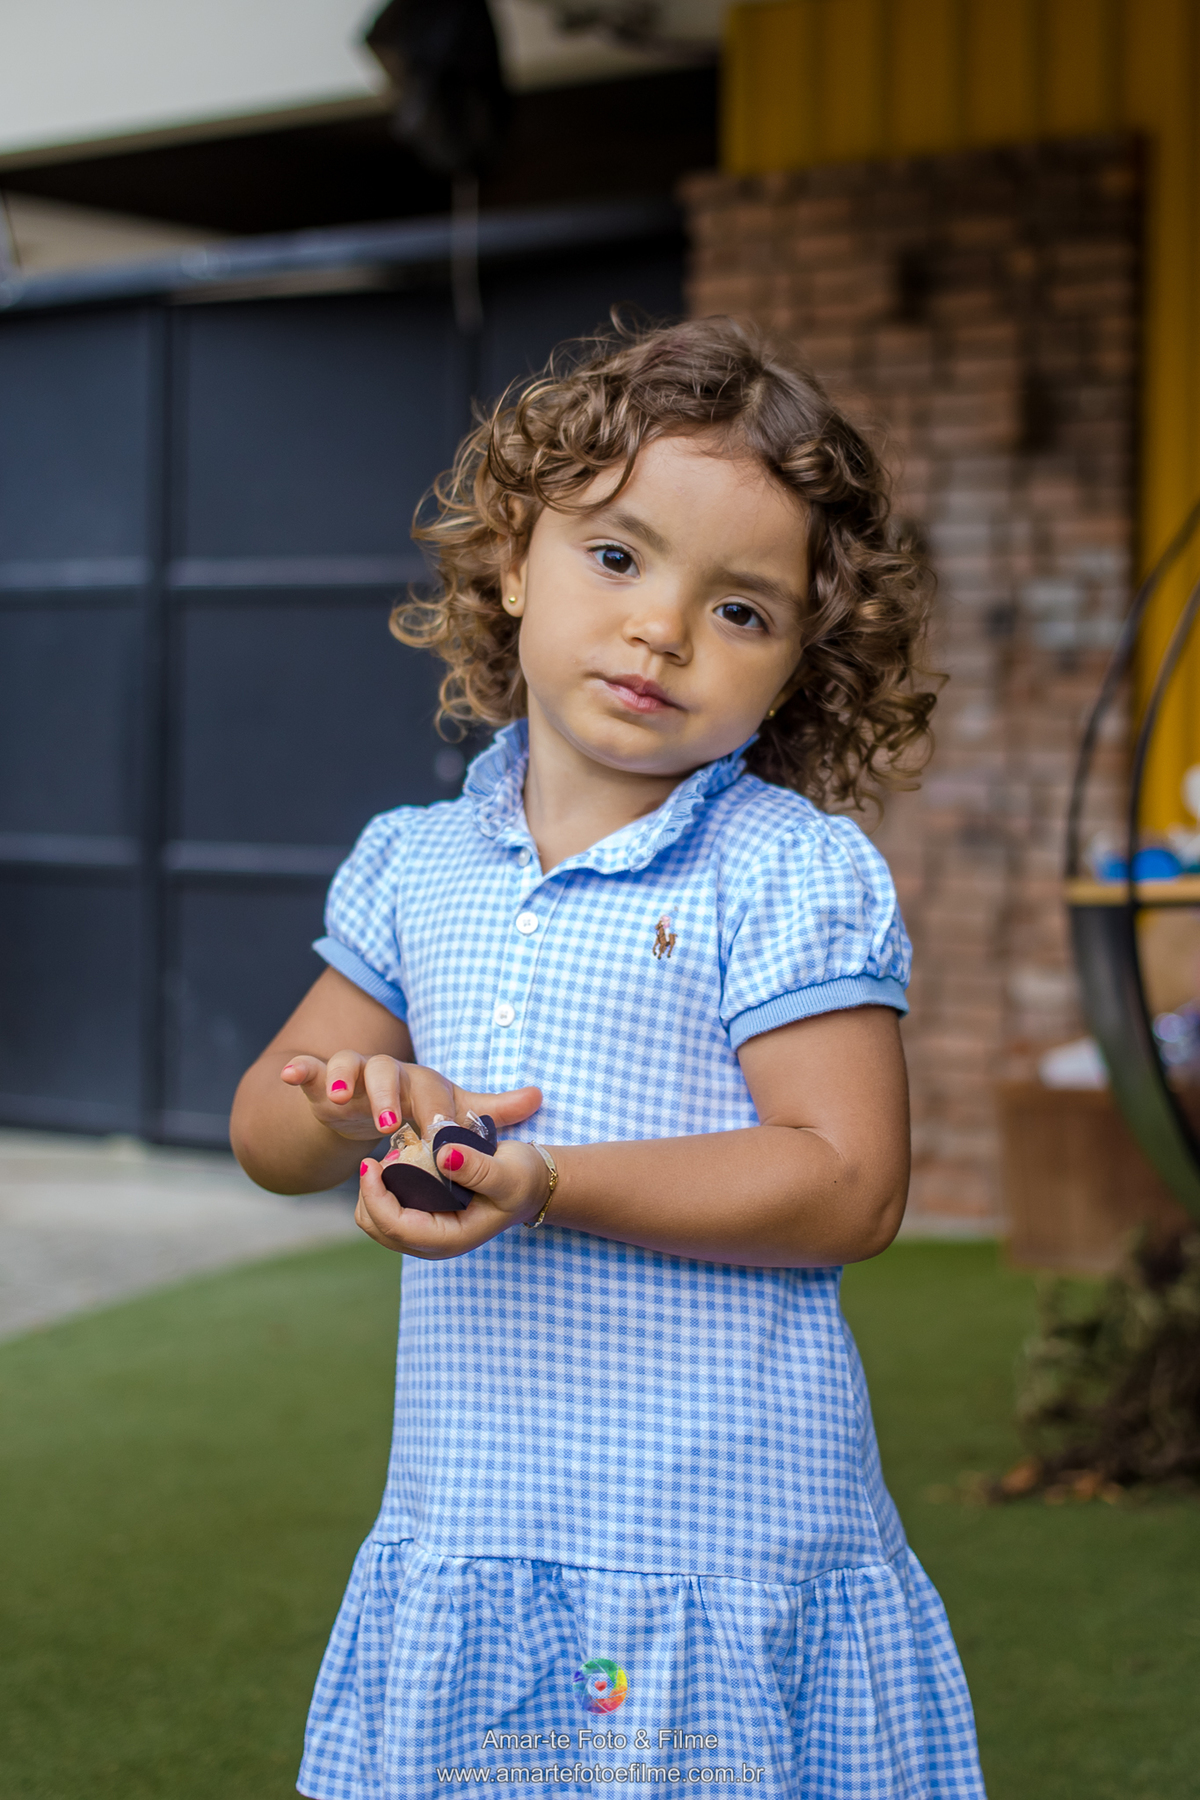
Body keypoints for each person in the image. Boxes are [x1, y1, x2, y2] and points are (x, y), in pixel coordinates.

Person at [231, 316, 986, 1800]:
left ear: (801, 665)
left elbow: (850, 1185)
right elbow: (271, 1122)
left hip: (721, 1535)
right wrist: (357, 1107)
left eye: (742, 609)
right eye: (620, 557)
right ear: (516, 558)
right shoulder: (416, 864)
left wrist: (546, 1182)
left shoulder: (785, 872)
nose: (663, 630)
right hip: (475, 1519)